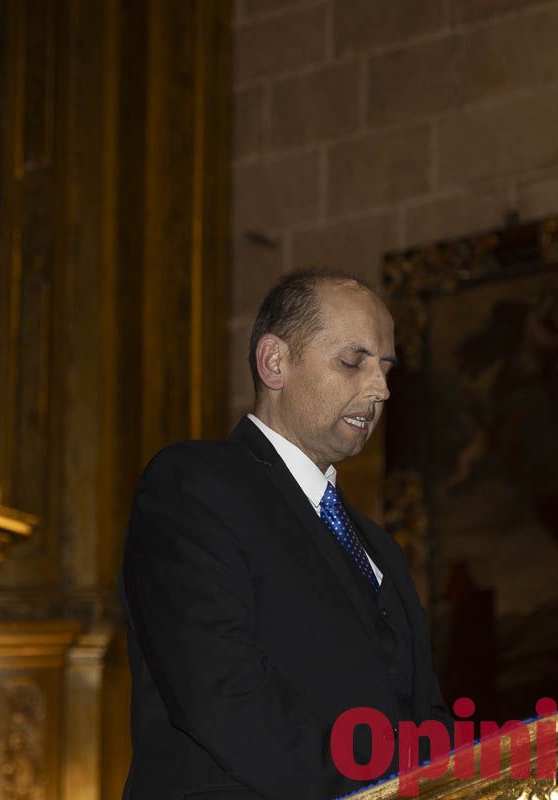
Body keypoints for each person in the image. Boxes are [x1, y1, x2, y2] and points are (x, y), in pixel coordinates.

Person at [121, 270, 451, 799]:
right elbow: (221, 691)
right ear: (274, 362)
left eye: (386, 368)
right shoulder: (194, 485)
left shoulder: (378, 545)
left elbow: (423, 715)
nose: (381, 389)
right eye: (353, 361)